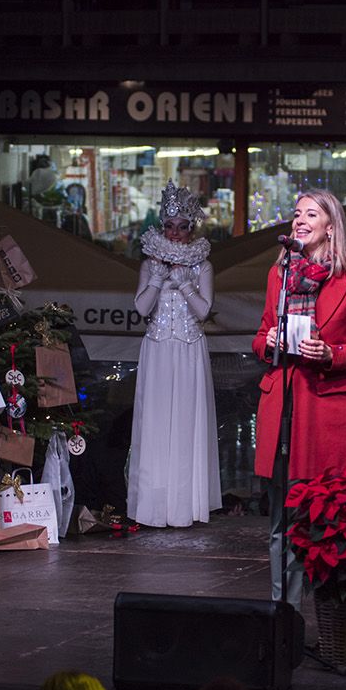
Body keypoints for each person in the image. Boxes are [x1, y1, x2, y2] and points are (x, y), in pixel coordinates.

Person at [252, 189, 346, 604]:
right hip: (285, 406)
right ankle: (283, 616)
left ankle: (333, 616)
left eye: (312, 214)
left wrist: (331, 354)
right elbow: (260, 336)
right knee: (281, 522)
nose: (300, 220)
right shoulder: (280, 275)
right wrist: (267, 340)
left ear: (331, 226)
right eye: (296, 214)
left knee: (326, 521)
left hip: (326, 413)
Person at [128, 181, 222, 527]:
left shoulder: (202, 266)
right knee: (154, 422)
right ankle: (153, 505)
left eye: (182, 227)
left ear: (191, 227)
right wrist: (155, 279)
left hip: (187, 350)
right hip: (157, 349)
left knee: (185, 421)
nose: (175, 233)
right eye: (169, 226)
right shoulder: (150, 262)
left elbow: (203, 311)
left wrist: (183, 283)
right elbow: (140, 308)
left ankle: (185, 504)